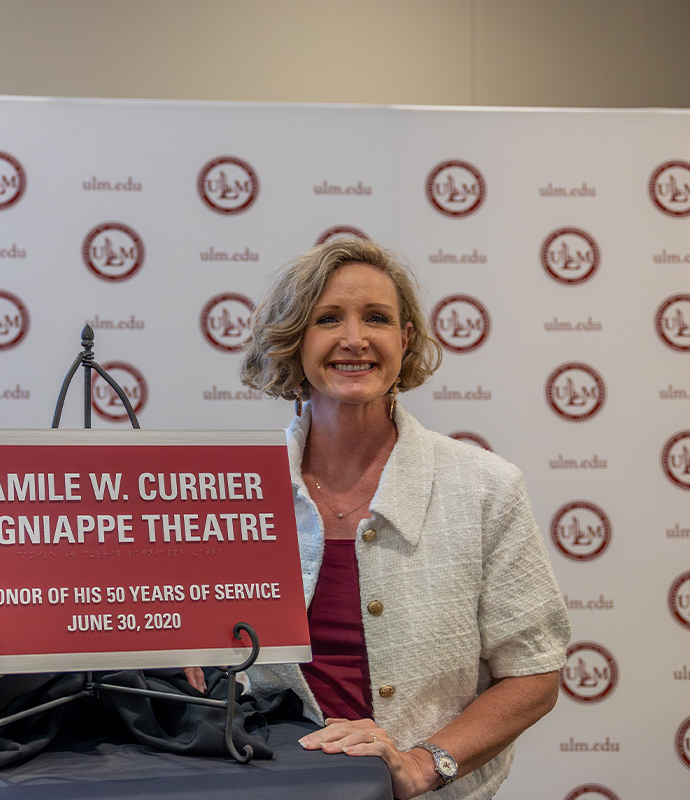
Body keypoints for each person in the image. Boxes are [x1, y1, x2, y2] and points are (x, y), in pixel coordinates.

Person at [238, 238, 570, 799]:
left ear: (405, 339)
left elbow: (534, 673)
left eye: (377, 318)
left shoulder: (486, 486)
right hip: (267, 787)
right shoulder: (236, 492)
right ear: (295, 341)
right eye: (327, 319)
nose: (354, 339)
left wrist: (422, 764)